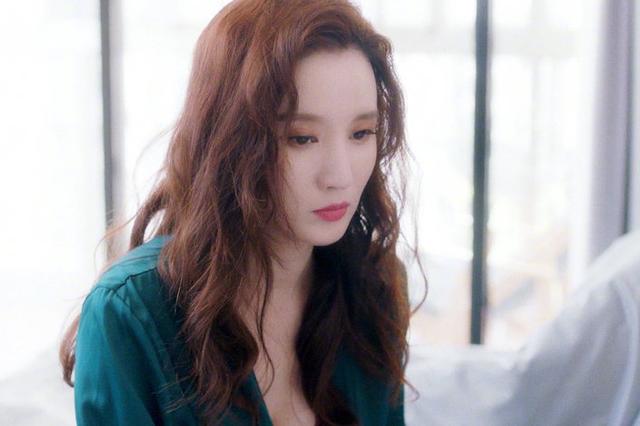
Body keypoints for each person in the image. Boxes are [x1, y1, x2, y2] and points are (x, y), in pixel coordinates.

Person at [59, 0, 426, 424]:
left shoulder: (375, 285)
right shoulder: (129, 313)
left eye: (361, 133)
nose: (340, 176)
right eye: (301, 138)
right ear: (230, 140)